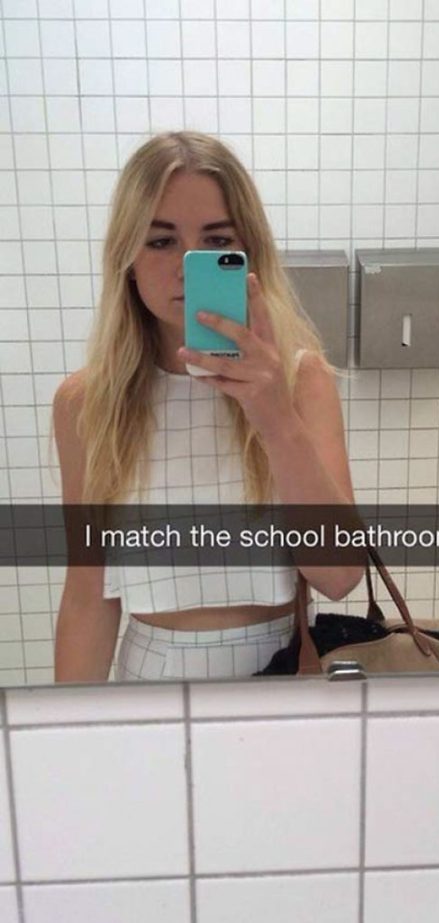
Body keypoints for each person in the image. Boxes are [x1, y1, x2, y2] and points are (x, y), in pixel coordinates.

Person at [52, 130, 363, 683]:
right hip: (153, 672)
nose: (185, 265)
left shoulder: (300, 382)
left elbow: (338, 576)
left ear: (248, 256)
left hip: (281, 670)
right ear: (126, 255)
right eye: (160, 241)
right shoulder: (85, 403)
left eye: (216, 242)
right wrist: (68, 737)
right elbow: (88, 597)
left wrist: (274, 416)